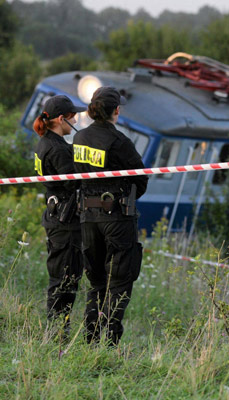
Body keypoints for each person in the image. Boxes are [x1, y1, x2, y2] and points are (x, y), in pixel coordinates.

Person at [72, 86, 148, 346]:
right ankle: (110, 342)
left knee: (95, 280)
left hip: (88, 218)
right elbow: (141, 178)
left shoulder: (79, 137)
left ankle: (90, 338)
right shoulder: (120, 142)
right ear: (116, 110)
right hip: (116, 218)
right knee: (119, 279)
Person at [33, 95, 86, 335]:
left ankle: (58, 329)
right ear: (62, 119)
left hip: (56, 217)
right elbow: (72, 185)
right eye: (73, 116)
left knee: (63, 277)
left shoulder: (47, 141)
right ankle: (56, 332)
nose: (76, 120)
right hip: (64, 222)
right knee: (64, 279)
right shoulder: (56, 148)